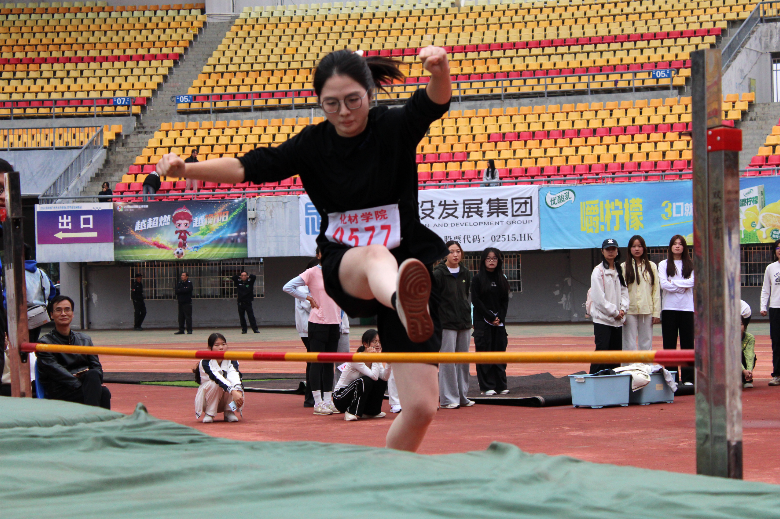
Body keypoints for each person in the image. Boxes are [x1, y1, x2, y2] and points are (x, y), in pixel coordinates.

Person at [156, 46, 452, 452]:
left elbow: (434, 101)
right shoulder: (312, 145)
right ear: (320, 102)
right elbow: (246, 167)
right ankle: (402, 299)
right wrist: (187, 169)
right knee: (374, 255)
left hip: (407, 266)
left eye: (353, 100)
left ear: (369, 93)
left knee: (420, 408)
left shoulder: (393, 126)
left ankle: (389, 473)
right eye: (332, 104)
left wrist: (440, 69)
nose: (344, 112)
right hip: (349, 264)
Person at [284, 262, 342, 416]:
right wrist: (307, 297)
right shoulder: (312, 272)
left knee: (329, 364)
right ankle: (317, 402)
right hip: (318, 323)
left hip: (335, 323)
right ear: (320, 255)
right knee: (316, 363)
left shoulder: (337, 272)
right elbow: (288, 287)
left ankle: (328, 401)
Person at [36, 295, 111, 409]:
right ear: (51, 315)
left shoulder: (85, 339)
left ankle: (92, 417)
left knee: (95, 377)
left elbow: (97, 368)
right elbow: (56, 372)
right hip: (60, 389)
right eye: (58, 310)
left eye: (67, 310)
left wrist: (89, 383)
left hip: (85, 385)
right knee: (102, 392)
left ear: (72, 313)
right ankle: (94, 418)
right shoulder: (44, 343)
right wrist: (81, 383)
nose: (63, 314)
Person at [433, 240, 474, 409]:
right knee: (448, 361)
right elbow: (434, 298)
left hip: (464, 322)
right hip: (446, 323)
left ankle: (462, 396)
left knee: (463, 361)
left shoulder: (465, 272)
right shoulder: (438, 273)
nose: (455, 254)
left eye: (458, 251)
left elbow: (465, 295)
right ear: (445, 254)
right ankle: (449, 398)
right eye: (451, 251)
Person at [471, 247, 510, 395]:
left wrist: (499, 317)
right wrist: (490, 317)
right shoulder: (477, 279)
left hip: (499, 323)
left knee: (499, 352)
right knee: (484, 353)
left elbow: (504, 301)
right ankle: (487, 386)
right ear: (483, 260)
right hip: (483, 323)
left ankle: (501, 385)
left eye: (494, 258)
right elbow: (476, 301)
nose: (491, 261)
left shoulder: (502, 279)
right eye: (488, 258)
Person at [658, 235, 695, 385]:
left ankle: (688, 378)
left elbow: (693, 282)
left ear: (684, 247)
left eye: (680, 244)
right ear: (670, 247)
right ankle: (671, 378)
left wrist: (673, 283)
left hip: (687, 308)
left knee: (688, 344)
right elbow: (664, 284)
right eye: (675, 244)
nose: (677, 246)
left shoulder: (691, 264)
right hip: (669, 308)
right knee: (669, 345)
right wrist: (681, 286)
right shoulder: (663, 264)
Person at [588, 238, 629, 374]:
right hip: (603, 320)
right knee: (602, 352)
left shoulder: (619, 269)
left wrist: (623, 309)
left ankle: (613, 382)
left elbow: (624, 292)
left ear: (617, 251)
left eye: (613, 249)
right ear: (602, 251)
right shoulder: (598, 271)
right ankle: (594, 379)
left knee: (615, 355)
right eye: (607, 249)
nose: (610, 252)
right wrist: (614, 312)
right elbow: (599, 299)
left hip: (617, 321)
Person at [333, 329, 390, 421]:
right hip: (340, 397)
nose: (378, 345)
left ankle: (371, 412)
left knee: (381, 381)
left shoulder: (375, 357)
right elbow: (374, 377)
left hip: (355, 392)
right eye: (374, 341)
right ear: (365, 344)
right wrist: (375, 358)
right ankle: (351, 412)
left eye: (379, 342)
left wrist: (390, 363)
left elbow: (384, 377)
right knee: (365, 380)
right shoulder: (357, 358)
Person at [621, 235, 660, 354]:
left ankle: (646, 365)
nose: (637, 249)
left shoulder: (651, 266)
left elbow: (655, 290)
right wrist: (621, 311)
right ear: (629, 249)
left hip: (646, 310)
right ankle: (629, 366)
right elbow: (620, 291)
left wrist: (656, 312)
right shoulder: (623, 266)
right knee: (629, 343)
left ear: (644, 248)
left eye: (639, 246)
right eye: (634, 246)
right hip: (629, 310)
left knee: (646, 342)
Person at [194, 333, 244, 422]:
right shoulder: (205, 362)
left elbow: (235, 376)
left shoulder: (232, 359)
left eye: (223, 344)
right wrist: (233, 391)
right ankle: (209, 413)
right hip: (207, 401)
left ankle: (229, 411)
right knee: (215, 384)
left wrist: (238, 392)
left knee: (236, 386)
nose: (221, 347)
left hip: (224, 400)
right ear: (210, 348)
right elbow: (217, 378)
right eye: (217, 345)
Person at [24, 244, 57, 343]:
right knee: (34, 341)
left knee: (22, 344)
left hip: (22, 314)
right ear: (30, 256)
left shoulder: (15, 272)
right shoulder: (41, 273)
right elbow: (52, 291)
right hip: (39, 313)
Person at [760, 238, 780, 387]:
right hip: (776, 308)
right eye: (778, 248)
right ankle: (777, 374)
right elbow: (766, 289)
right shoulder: (771, 268)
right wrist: (763, 306)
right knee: (777, 342)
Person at [740, 300, 756, 389]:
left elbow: (749, 355)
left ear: (745, 326)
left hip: (743, 365)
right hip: (730, 364)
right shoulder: (727, 338)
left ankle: (747, 379)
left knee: (751, 356)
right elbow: (732, 356)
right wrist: (743, 370)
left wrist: (748, 371)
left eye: (741, 324)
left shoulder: (749, 337)